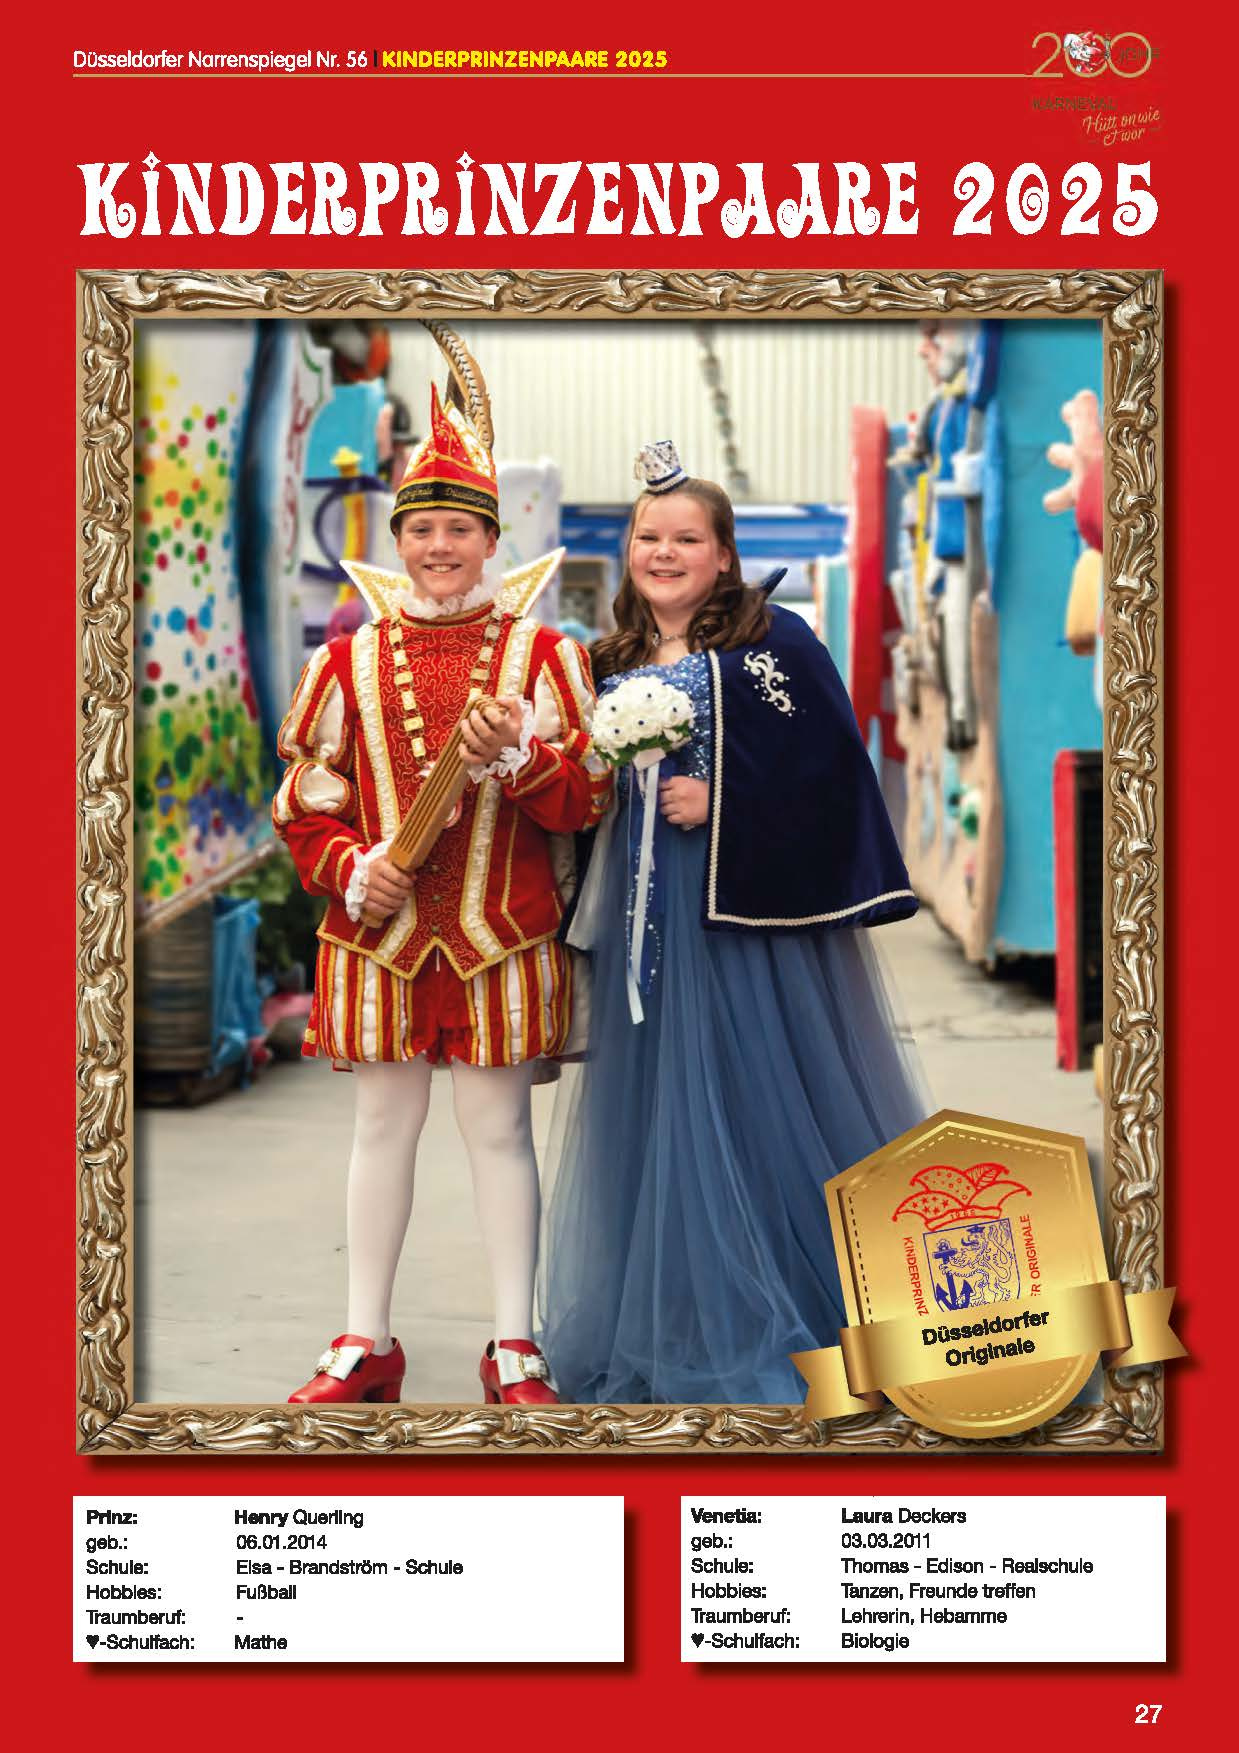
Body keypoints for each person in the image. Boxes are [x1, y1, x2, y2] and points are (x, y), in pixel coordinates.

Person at [539, 441, 928, 1405]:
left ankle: (805, 1302)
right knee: (660, 1119)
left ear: (722, 554)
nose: (663, 553)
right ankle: (680, 1314)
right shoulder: (605, 657)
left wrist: (724, 802)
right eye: (648, 537)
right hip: (645, 920)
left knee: (757, 1101)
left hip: (742, 919)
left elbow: (834, 773)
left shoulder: (775, 645)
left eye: (686, 539)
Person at [273, 360, 610, 1407]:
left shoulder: (546, 658)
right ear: (396, 538)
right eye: (420, 528)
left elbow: (585, 800)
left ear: (492, 538)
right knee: (380, 1130)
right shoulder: (344, 662)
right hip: (374, 942)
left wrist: (522, 763)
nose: (438, 546)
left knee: (500, 1134)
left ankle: (514, 1344)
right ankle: (364, 1339)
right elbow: (305, 800)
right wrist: (350, 866)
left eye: (459, 527)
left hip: (501, 936)